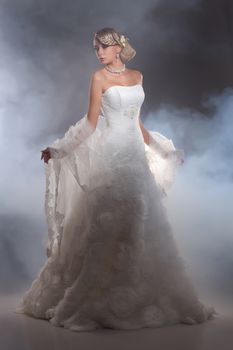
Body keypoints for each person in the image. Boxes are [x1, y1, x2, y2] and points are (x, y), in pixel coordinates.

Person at [15, 27, 216, 332]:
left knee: (142, 221)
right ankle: (94, 297)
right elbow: (90, 124)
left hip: (134, 156)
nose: (98, 53)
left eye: (103, 47)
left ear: (118, 48)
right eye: (96, 48)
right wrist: (60, 149)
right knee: (105, 224)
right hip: (111, 157)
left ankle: (137, 293)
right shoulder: (99, 78)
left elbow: (137, 123)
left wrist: (164, 150)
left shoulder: (138, 76)